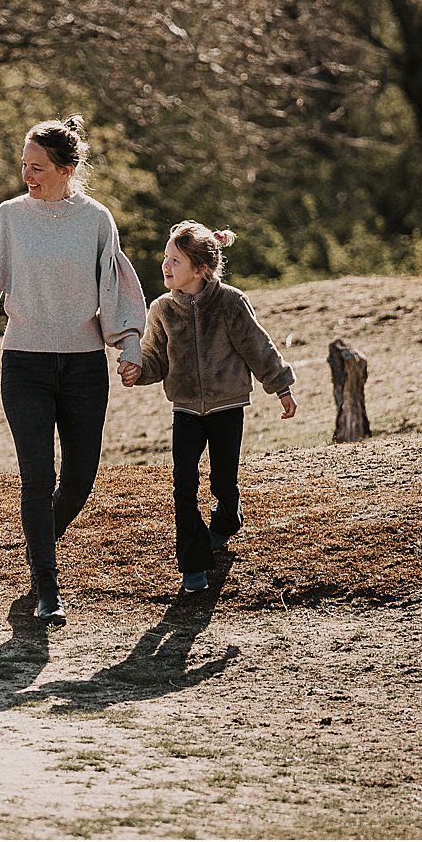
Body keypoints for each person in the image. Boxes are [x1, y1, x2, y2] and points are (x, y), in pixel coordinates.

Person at [0, 114, 147, 624]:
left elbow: (114, 282)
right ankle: (47, 589)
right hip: (25, 365)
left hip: (83, 368)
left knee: (79, 480)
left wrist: (128, 343)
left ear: (66, 168)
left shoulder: (96, 219)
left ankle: (38, 546)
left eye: (36, 167)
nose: (26, 176)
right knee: (38, 476)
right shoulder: (9, 217)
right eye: (24, 165)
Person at [128, 221, 297, 595]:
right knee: (183, 486)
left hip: (227, 406)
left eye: (175, 260)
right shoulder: (162, 310)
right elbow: (155, 359)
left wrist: (281, 386)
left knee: (223, 481)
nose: (166, 267)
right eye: (165, 258)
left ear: (201, 269)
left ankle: (227, 515)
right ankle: (193, 564)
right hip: (185, 410)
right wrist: (136, 370)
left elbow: (258, 346)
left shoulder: (230, 302)